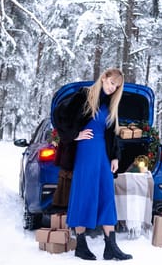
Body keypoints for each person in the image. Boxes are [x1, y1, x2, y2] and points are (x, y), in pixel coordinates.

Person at [53, 68, 133, 261]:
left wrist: (115, 157)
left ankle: (110, 246)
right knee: (84, 193)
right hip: (86, 151)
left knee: (107, 195)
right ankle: (80, 244)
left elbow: (112, 133)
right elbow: (59, 115)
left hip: (103, 155)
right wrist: (74, 135)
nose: (113, 88)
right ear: (104, 77)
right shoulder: (84, 95)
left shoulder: (111, 104)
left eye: (116, 86)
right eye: (111, 83)